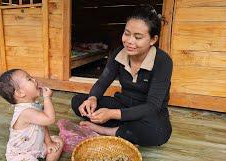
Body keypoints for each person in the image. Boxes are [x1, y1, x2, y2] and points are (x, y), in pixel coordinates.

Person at [71, 5, 173, 146]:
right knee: (78, 102)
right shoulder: (118, 53)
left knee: (160, 132)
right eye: (127, 33)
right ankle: (126, 131)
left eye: (138, 37)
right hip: (123, 104)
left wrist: (111, 114)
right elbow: (102, 82)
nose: (130, 41)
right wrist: (92, 98)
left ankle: (107, 131)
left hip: (148, 110)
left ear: (153, 40)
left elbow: (152, 106)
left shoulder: (163, 61)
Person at [0, 69, 64, 161]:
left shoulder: (33, 105)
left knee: (58, 140)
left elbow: (42, 125)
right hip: (21, 153)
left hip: (36, 146)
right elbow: (50, 119)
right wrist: (47, 98)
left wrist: (49, 142)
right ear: (20, 93)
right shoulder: (25, 112)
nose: (34, 79)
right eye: (29, 79)